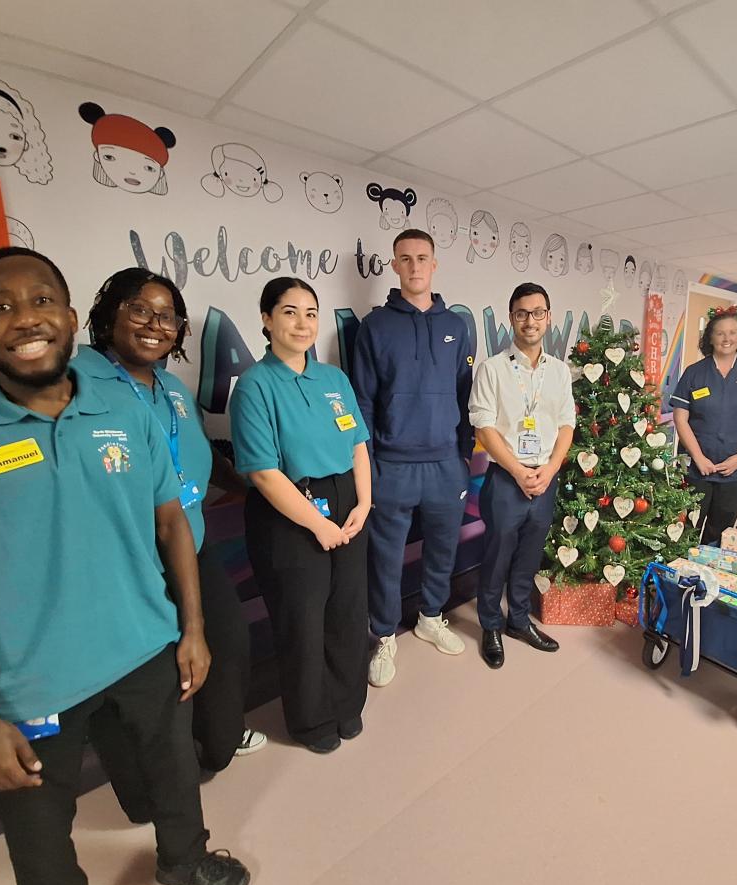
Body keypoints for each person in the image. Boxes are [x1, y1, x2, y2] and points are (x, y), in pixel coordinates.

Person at [0, 248, 249, 885]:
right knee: (39, 830)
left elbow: (171, 521)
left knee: (173, 772)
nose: (25, 318)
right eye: (1, 307)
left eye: (41, 300)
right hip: (28, 683)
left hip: (145, 646)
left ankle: (183, 859)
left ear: (70, 316)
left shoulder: (126, 412)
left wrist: (191, 630)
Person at [70, 268, 265, 825]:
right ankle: (145, 797)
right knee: (137, 684)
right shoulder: (75, 377)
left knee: (225, 648)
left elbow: (199, 456)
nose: (156, 325)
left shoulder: (174, 389)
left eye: (168, 316)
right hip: (122, 564)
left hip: (191, 545)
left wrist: (252, 481)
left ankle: (215, 749)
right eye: (140, 310)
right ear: (108, 314)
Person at [231, 277, 372, 752]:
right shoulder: (254, 386)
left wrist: (364, 504)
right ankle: (311, 721)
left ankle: (347, 705)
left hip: (348, 505)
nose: (303, 323)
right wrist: (318, 524)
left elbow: (358, 445)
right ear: (267, 320)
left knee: (348, 615)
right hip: (290, 511)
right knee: (303, 623)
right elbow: (265, 473)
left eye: (311, 313)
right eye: (289, 312)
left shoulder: (334, 379)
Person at [352, 228, 474, 687]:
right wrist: (368, 462)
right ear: (395, 265)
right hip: (392, 463)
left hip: (446, 463)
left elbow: (466, 398)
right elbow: (362, 400)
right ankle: (384, 634)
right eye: (406, 259)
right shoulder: (375, 326)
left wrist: (463, 454)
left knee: (443, 548)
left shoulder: (456, 326)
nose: (415, 266)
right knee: (385, 557)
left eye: (423, 258)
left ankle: (430, 616)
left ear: (434, 264)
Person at [469, 283, 574, 669]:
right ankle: (491, 625)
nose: (530, 321)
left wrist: (549, 469)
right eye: (521, 313)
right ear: (511, 318)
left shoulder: (560, 372)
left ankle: (518, 621)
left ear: (548, 317)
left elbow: (566, 425)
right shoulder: (492, 369)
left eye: (537, 313)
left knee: (530, 554)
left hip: (545, 479)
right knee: (497, 555)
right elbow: (484, 427)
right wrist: (517, 470)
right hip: (505, 480)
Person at [672, 307, 737, 545]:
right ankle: (683, 576)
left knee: (722, 528)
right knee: (688, 525)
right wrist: (698, 457)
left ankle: (709, 575)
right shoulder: (694, 373)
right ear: (710, 338)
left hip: (735, 468)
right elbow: (680, 418)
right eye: (720, 333)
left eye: (732, 332)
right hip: (697, 466)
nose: (727, 338)